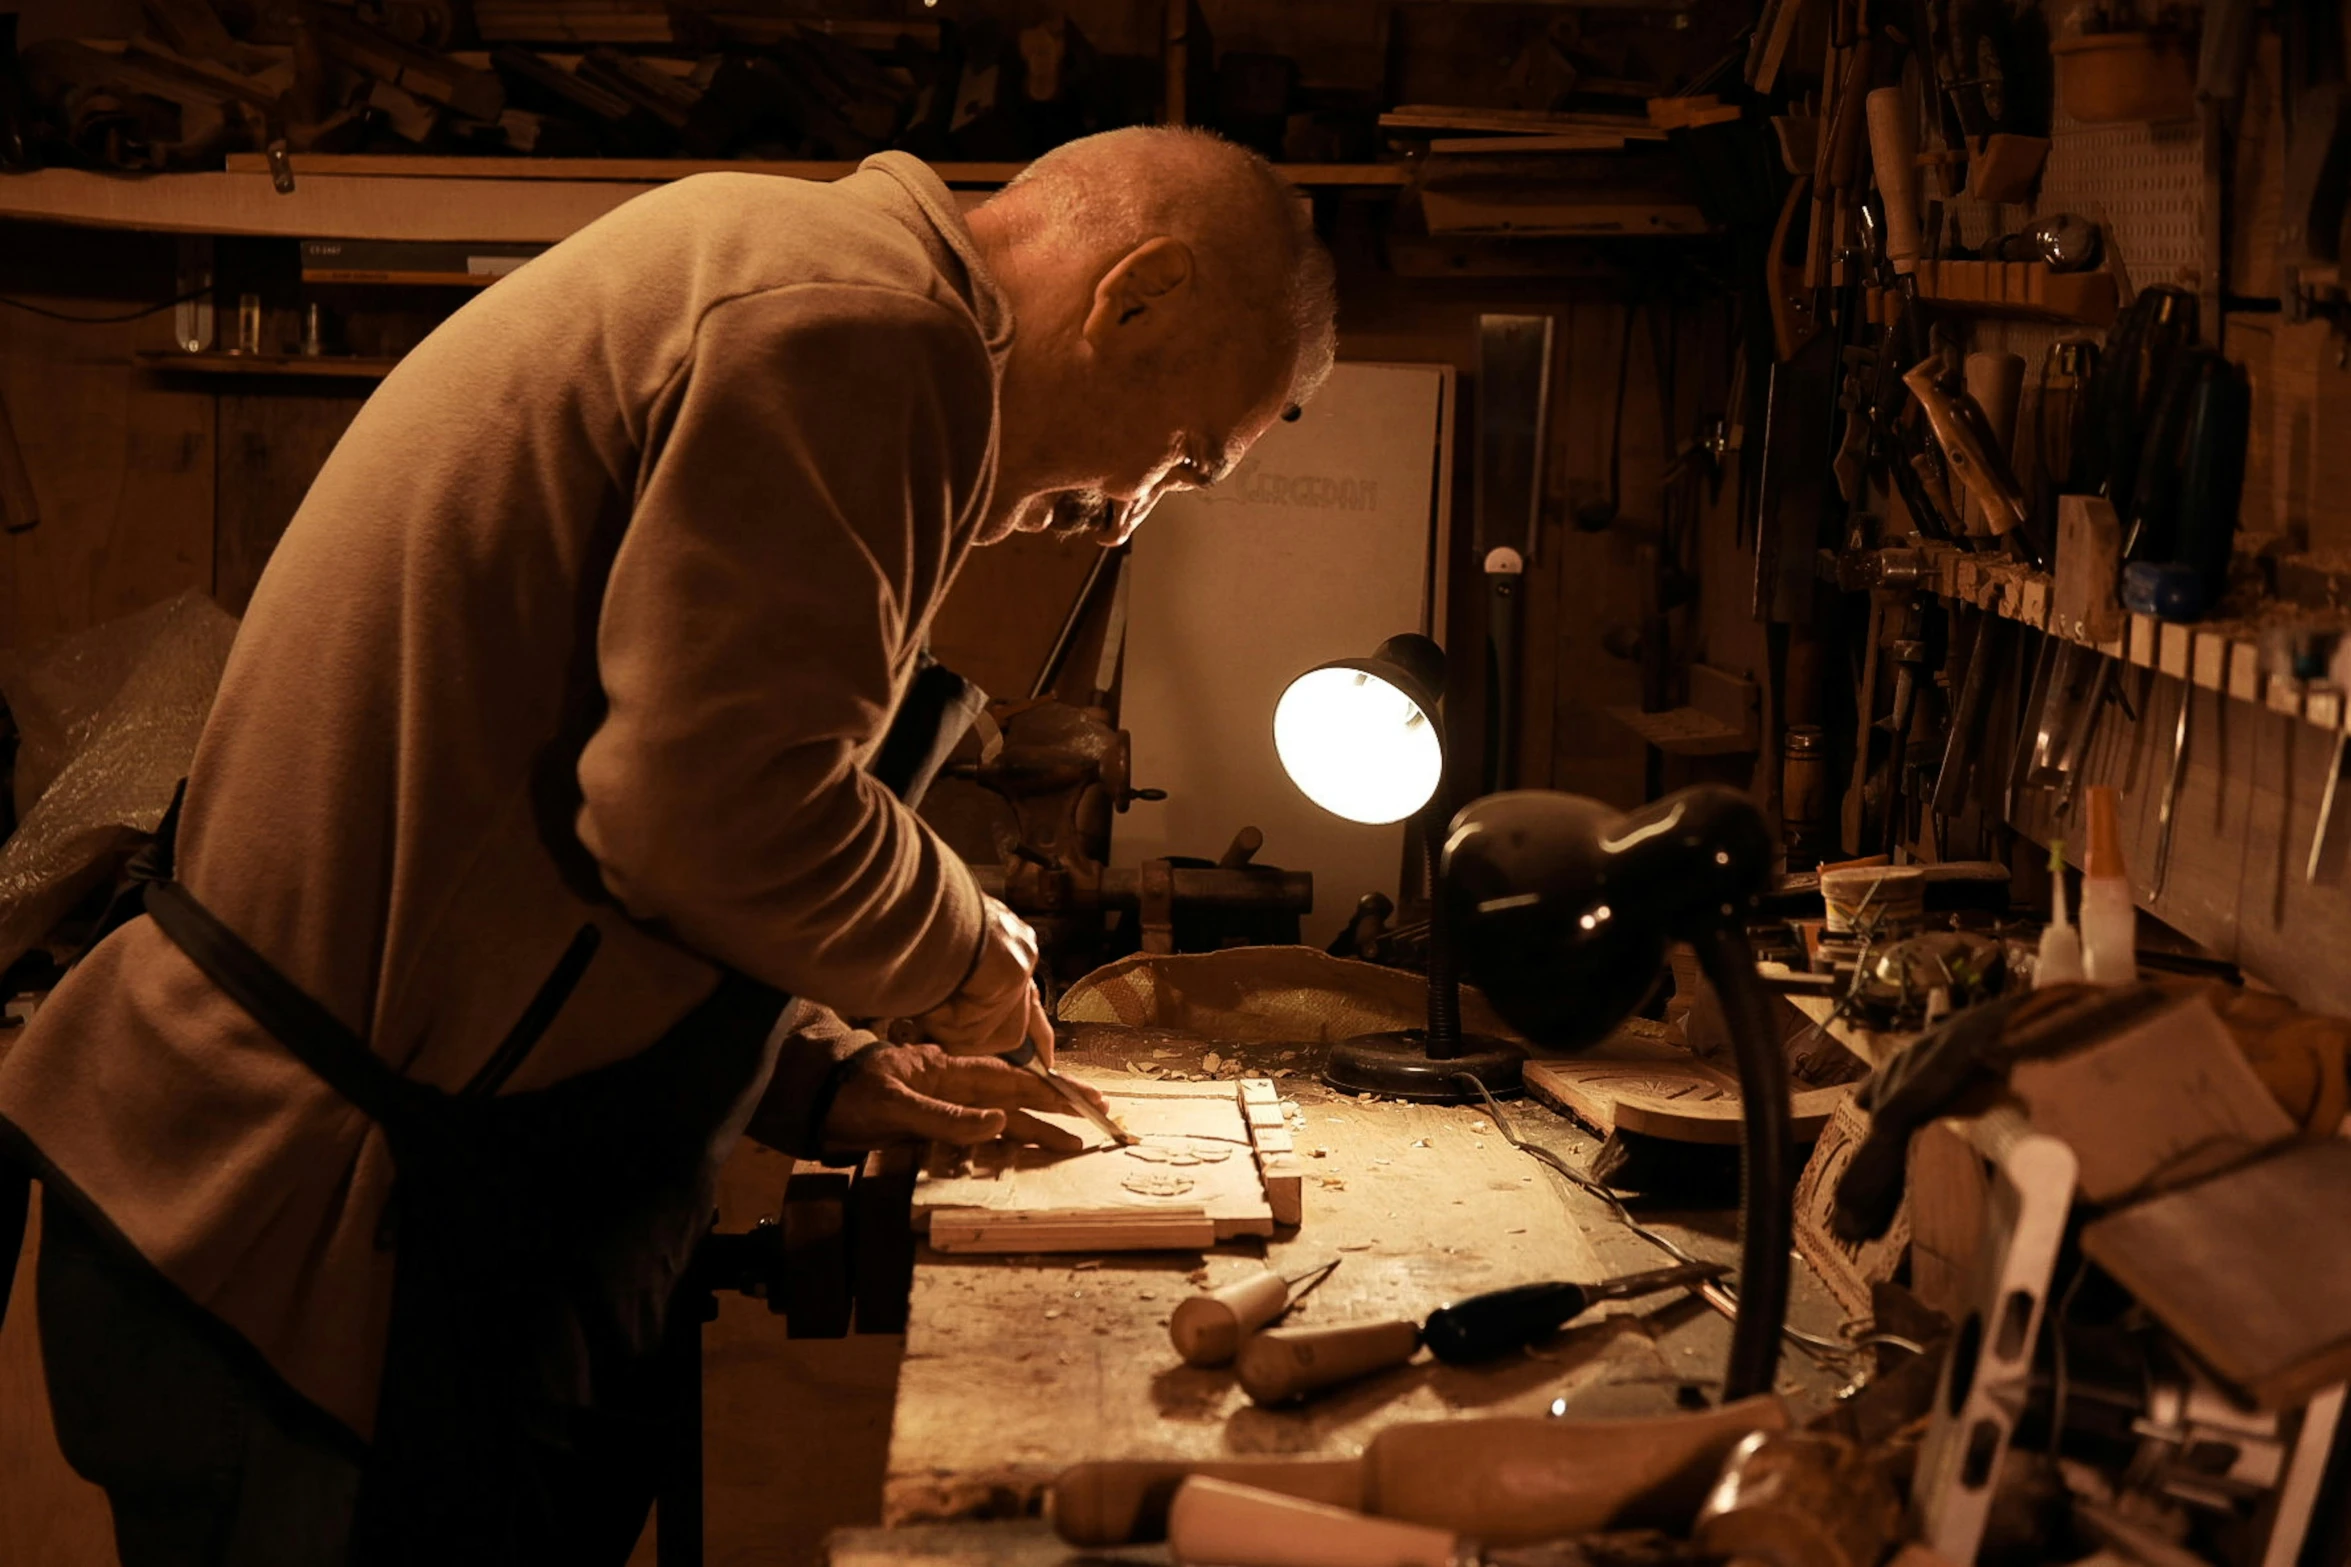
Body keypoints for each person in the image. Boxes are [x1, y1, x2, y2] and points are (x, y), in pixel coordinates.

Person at [0, 126, 1337, 1564]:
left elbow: (551, 811)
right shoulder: (871, 332)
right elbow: (707, 812)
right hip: (313, 1238)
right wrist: (963, 940)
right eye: (1183, 459)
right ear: (1132, 293)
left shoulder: (797, 274)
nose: (1121, 515)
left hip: (321, 1210)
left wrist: (822, 1069)